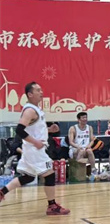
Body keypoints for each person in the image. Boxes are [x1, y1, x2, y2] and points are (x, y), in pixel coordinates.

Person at [0, 82, 69, 215]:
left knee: (28, 177)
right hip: (34, 150)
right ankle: (52, 206)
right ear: (30, 94)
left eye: (41, 89)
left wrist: (49, 129)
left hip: (31, 149)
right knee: (50, 174)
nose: (41, 92)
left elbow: (33, 129)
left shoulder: (36, 109)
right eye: (38, 90)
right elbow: (19, 130)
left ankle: (2, 192)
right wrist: (36, 142)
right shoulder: (30, 111)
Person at [68, 111, 97, 176]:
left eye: (86, 117)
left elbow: (92, 140)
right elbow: (71, 142)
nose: (85, 119)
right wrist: (78, 146)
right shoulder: (73, 128)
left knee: (89, 151)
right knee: (81, 151)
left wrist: (89, 146)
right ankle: (78, 171)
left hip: (85, 148)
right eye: (83, 118)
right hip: (75, 149)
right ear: (79, 119)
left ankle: (93, 170)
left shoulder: (89, 128)